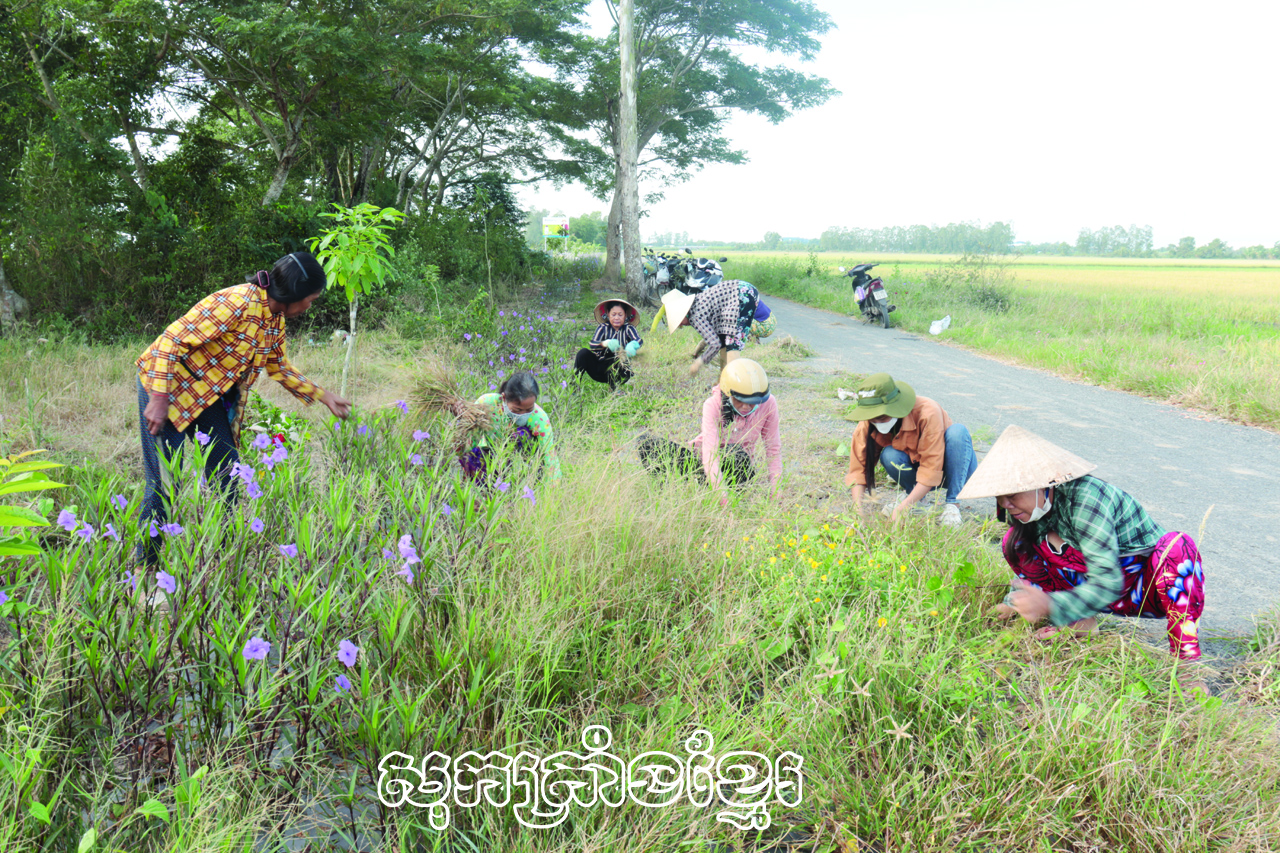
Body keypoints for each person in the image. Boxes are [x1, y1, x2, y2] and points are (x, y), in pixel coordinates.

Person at [135, 251, 352, 567]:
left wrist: (323, 395)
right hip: (167, 388)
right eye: (310, 299)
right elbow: (171, 340)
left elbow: (278, 367)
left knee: (228, 472)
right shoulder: (235, 303)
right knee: (166, 482)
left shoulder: (273, 318)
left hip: (205, 395)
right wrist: (158, 398)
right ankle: (146, 569)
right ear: (292, 293)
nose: (309, 306)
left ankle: (222, 562)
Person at [958, 425, 1205, 662]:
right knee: (1014, 542)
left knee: (1178, 547)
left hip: (1139, 587)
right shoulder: (1027, 508)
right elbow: (1029, 563)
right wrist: (1013, 604)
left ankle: (1186, 664)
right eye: (999, 497)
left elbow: (1108, 583)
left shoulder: (1087, 498)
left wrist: (1049, 604)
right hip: (1090, 587)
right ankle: (1080, 624)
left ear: (1043, 484)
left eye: (1011, 495)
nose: (1005, 505)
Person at [638, 358, 780, 502]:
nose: (746, 406)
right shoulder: (712, 405)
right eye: (740, 400)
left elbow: (773, 449)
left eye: (752, 402)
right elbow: (710, 454)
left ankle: (709, 491)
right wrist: (721, 496)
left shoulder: (768, 404)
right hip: (705, 464)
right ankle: (682, 491)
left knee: (736, 454)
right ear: (727, 394)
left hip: (734, 467)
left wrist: (776, 491)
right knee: (647, 443)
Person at [844, 372, 976, 527]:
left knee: (957, 432)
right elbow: (858, 471)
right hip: (919, 473)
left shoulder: (927, 412)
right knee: (889, 454)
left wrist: (903, 507)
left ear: (895, 407)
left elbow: (931, 467)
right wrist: (858, 513)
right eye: (873, 418)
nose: (877, 422)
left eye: (881, 418)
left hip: (954, 471)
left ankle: (953, 505)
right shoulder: (867, 425)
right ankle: (918, 501)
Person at [661, 260, 761, 375]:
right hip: (745, 290)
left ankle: (735, 383)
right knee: (725, 340)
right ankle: (724, 379)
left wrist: (698, 363)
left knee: (733, 344)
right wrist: (697, 352)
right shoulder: (698, 302)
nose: (681, 325)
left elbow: (714, 344)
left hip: (740, 295)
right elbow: (715, 338)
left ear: (683, 312)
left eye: (679, 321)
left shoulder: (694, 316)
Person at [463, 371, 562, 483]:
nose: (522, 414)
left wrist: (553, 487)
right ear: (504, 398)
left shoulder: (539, 418)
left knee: (523, 433)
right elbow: (471, 438)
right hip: (492, 457)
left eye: (529, 409)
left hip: (522, 464)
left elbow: (549, 455)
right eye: (517, 410)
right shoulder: (487, 404)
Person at [573, 299, 643, 389]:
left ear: (625, 315)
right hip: (600, 368)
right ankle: (574, 385)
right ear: (608, 314)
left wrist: (633, 345)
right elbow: (593, 345)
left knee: (617, 356)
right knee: (583, 353)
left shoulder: (629, 328)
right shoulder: (603, 328)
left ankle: (615, 389)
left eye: (620, 315)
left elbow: (638, 340)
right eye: (613, 314)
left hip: (620, 370)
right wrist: (604, 344)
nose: (617, 318)